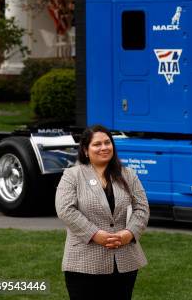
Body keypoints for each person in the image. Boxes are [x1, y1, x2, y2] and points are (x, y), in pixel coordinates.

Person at [55, 125, 150, 300]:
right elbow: (65, 209)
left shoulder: (128, 175)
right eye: (97, 144)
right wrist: (94, 234)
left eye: (107, 142)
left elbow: (142, 208)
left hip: (124, 261)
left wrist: (129, 233)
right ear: (85, 150)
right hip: (83, 263)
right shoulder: (72, 175)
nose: (104, 147)